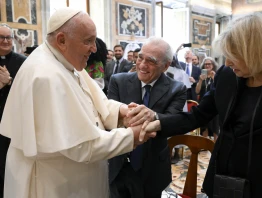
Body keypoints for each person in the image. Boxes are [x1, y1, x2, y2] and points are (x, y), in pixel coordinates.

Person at [138, 13, 262, 198]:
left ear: (257, 51)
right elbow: (198, 115)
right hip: (223, 178)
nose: (227, 63)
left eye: (234, 56)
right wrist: (159, 122)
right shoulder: (228, 75)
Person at [0, 8, 155, 198]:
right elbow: (79, 146)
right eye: (88, 41)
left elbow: (97, 102)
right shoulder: (45, 76)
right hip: (55, 183)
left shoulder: (66, 60)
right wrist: (131, 136)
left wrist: (123, 111)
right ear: (62, 40)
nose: (95, 48)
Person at [108, 37, 187, 198]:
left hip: (153, 166)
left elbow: (170, 122)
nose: (142, 65)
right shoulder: (118, 81)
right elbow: (110, 118)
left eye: (151, 61)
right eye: (140, 57)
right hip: (119, 163)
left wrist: (146, 118)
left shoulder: (177, 89)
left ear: (165, 66)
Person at [0, 23, 26, 198]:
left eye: (8, 37)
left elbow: (28, 90)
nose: (5, 41)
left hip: (14, 125)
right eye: (1, 37)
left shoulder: (23, 62)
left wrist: (9, 82)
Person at [195, 57, 219, 141]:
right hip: (203, 103)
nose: (207, 65)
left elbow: (219, 90)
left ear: (213, 65)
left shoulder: (216, 75)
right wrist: (200, 80)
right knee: (204, 126)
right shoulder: (202, 76)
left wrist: (214, 78)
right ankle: (205, 146)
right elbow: (197, 91)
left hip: (214, 104)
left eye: (209, 64)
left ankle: (215, 147)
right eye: (206, 64)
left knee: (215, 126)